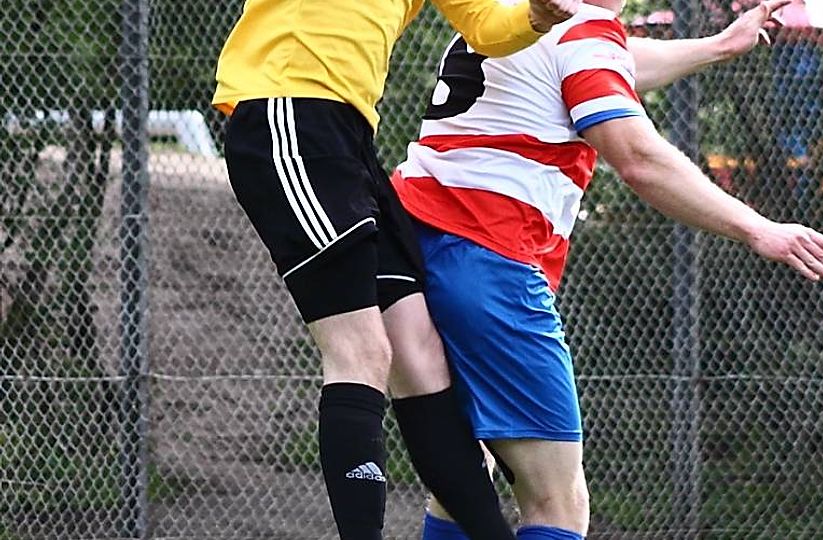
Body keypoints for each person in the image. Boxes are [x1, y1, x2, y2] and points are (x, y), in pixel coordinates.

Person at [391, 1, 823, 538]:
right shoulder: (584, 33)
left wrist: (718, 46)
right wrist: (757, 228)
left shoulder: (509, 15)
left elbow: (610, 61)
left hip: (409, 244)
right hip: (489, 263)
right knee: (557, 500)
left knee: (464, 474)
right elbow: (638, 160)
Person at [212, 0, 582, 538]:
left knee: (419, 352)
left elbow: (484, 25)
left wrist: (537, 16)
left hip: (349, 134)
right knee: (362, 350)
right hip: (286, 110)